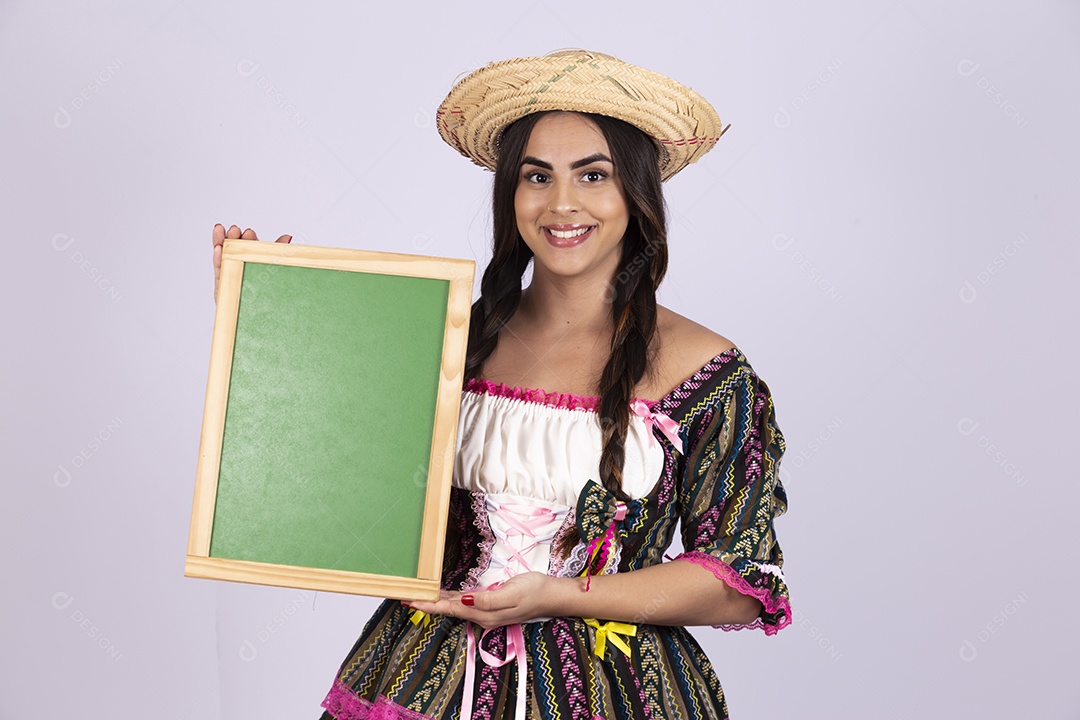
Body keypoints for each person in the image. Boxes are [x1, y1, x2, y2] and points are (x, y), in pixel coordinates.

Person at [212, 49, 790, 720]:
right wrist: (261, 328)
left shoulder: (707, 370)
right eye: (536, 176)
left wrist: (566, 594)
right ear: (510, 192)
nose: (562, 203)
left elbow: (741, 581)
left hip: (620, 694)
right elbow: (333, 491)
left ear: (635, 193)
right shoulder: (447, 335)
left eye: (592, 175)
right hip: (425, 677)